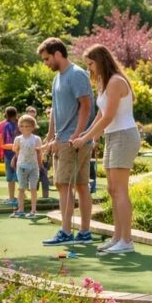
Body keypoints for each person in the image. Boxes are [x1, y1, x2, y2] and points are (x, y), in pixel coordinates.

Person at [72, 45, 141, 255]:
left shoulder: (116, 82)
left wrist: (86, 137)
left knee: (120, 190)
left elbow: (110, 116)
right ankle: (117, 238)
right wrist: (87, 135)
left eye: (91, 64)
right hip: (113, 136)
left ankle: (126, 240)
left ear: (101, 61)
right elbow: (101, 116)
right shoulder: (104, 82)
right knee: (112, 190)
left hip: (124, 135)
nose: (89, 68)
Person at [38, 37, 95, 246]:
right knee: (79, 185)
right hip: (63, 139)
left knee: (65, 185)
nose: (46, 64)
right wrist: (51, 136)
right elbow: (55, 110)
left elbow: (86, 106)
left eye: (47, 59)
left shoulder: (77, 74)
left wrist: (76, 135)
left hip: (74, 141)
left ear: (58, 54)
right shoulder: (57, 78)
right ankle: (83, 233)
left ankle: (67, 232)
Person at [10, 114, 43, 218]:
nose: (25, 128)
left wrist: (40, 163)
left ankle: (33, 210)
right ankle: (21, 209)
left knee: (33, 188)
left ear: (33, 127)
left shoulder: (36, 139)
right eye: (22, 126)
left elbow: (39, 152)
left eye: (28, 126)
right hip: (21, 166)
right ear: (19, 127)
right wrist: (14, 159)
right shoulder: (18, 139)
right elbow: (15, 150)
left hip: (34, 166)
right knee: (21, 188)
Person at [25, 106, 50, 199]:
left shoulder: (41, 126)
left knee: (44, 175)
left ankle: (45, 197)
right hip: (29, 155)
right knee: (31, 177)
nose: (32, 113)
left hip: (41, 152)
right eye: (30, 112)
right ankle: (32, 197)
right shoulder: (23, 126)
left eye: (33, 111)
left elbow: (46, 137)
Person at [0, 107, 19, 205]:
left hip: (9, 153)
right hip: (20, 153)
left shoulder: (6, 126)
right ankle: (21, 196)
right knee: (20, 175)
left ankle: (11, 198)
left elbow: (5, 141)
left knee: (10, 177)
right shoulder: (20, 125)